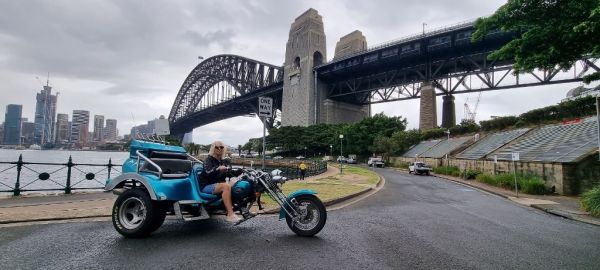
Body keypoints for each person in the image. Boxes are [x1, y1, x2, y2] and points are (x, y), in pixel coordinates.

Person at [199, 141, 241, 223]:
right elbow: (207, 172)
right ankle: (230, 214)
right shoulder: (208, 160)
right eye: (216, 147)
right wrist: (217, 169)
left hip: (217, 185)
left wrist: (240, 171)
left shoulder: (223, 161)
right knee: (225, 186)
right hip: (206, 186)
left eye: (221, 147)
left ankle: (242, 208)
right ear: (213, 148)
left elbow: (229, 173)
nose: (219, 149)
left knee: (236, 183)